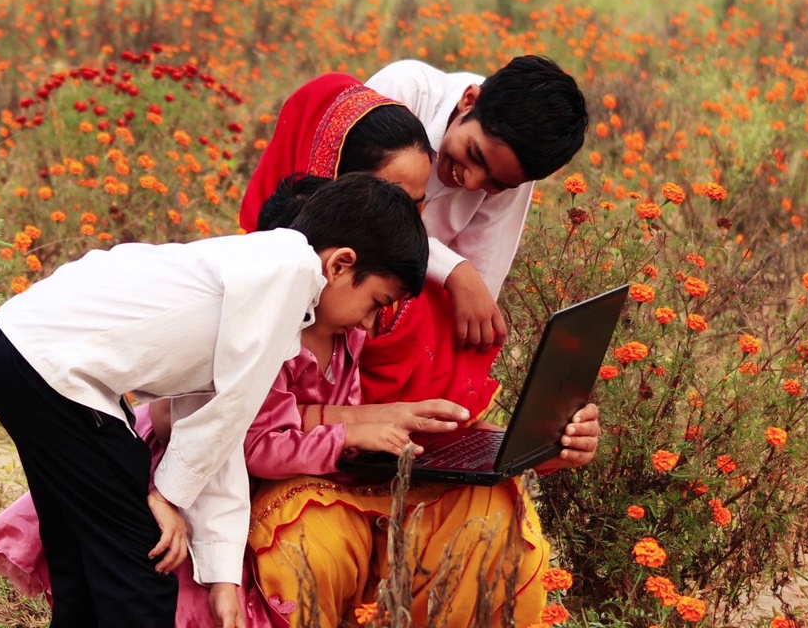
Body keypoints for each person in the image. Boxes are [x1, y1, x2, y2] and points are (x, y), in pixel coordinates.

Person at [0, 171, 429, 628]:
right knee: (142, 572)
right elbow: (231, 411)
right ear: (340, 265)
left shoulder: (260, 270)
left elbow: (214, 420)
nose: (368, 324)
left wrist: (220, 573)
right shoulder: (289, 273)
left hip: (21, 350)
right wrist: (166, 497)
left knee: (84, 559)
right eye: (375, 302)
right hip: (51, 369)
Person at [237, 62, 598, 627]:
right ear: (468, 100)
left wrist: (545, 439)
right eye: (473, 156)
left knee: (491, 523)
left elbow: (467, 330)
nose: (470, 185)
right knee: (306, 547)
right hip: (311, 469)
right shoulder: (274, 312)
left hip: (399, 429)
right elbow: (262, 430)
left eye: (496, 184)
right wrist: (450, 275)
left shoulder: (397, 308)